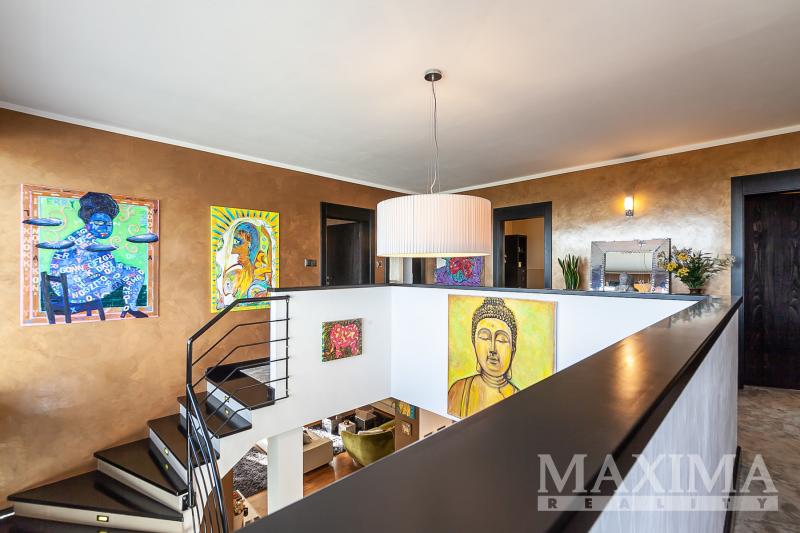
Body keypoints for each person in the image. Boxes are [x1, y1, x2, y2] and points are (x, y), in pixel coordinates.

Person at [48, 192, 147, 318]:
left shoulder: (77, 236)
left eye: (109, 224)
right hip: (75, 291)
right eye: (99, 223)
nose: (105, 228)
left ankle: (129, 307)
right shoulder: (90, 244)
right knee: (136, 273)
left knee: (122, 269)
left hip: (64, 289)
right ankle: (130, 307)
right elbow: (109, 268)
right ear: (88, 223)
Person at [448, 297, 520, 418]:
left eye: (501, 340)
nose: (492, 349)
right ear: (474, 344)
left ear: (513, 350)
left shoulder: (521, 399)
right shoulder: (459, 390)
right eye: (484, 338)